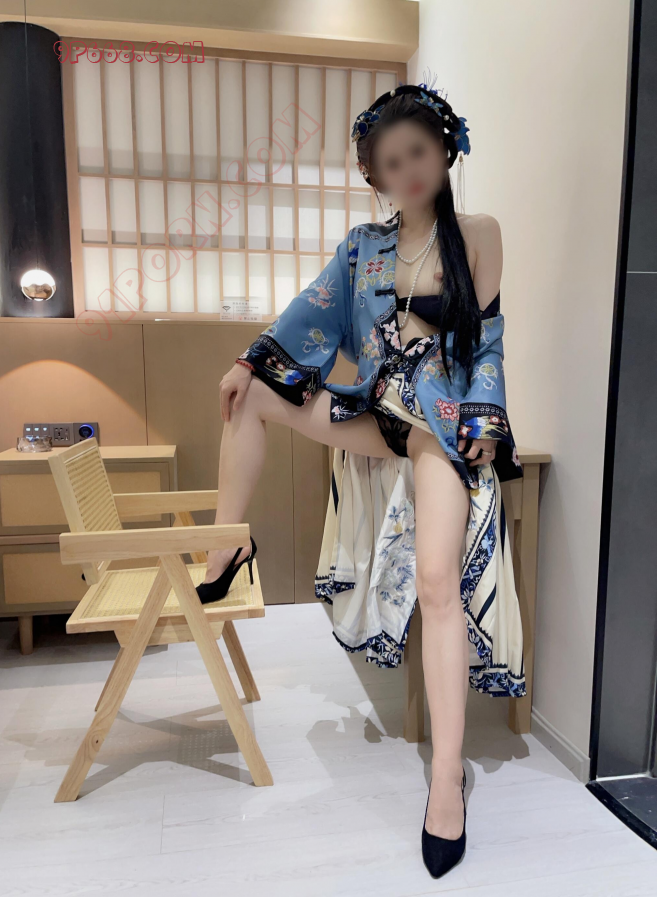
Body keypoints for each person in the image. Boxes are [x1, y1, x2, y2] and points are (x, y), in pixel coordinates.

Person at [197, 74, 526, 878]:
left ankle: (446, 778)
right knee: (249, 396)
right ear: (374, 174)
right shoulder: (362, 247)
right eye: (391, 161)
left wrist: (485, 421)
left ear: (445, 151)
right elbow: (307, 315)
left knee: (438, 583)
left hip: (438, 422)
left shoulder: (478, 233)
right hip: (376, 410)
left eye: (419, 152)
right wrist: (248, 359)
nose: (407, 170)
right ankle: (226, 545)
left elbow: (485, 344)